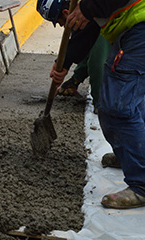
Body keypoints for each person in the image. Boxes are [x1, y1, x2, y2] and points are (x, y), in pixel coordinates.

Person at [38, 0, 145, 209]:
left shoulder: (89, 5)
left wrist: (88, 7)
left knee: (117, 108)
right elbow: (89, 30)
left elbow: (92, 16)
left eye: (62, 21)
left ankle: (142, 184)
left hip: (139, 27)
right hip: (133, 28)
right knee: (133, 98)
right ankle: (133, 155)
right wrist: (65, 63)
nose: (64, 25)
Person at [36, 0, 111, 112]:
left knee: (98, 56)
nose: (62, 26)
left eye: (61, 22)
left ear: (66, 13)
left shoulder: (96, 9)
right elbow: (84, 43)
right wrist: (74, 76)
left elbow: (97, 63)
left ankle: (104, 105)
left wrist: (100, 106)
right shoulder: (88, 10)